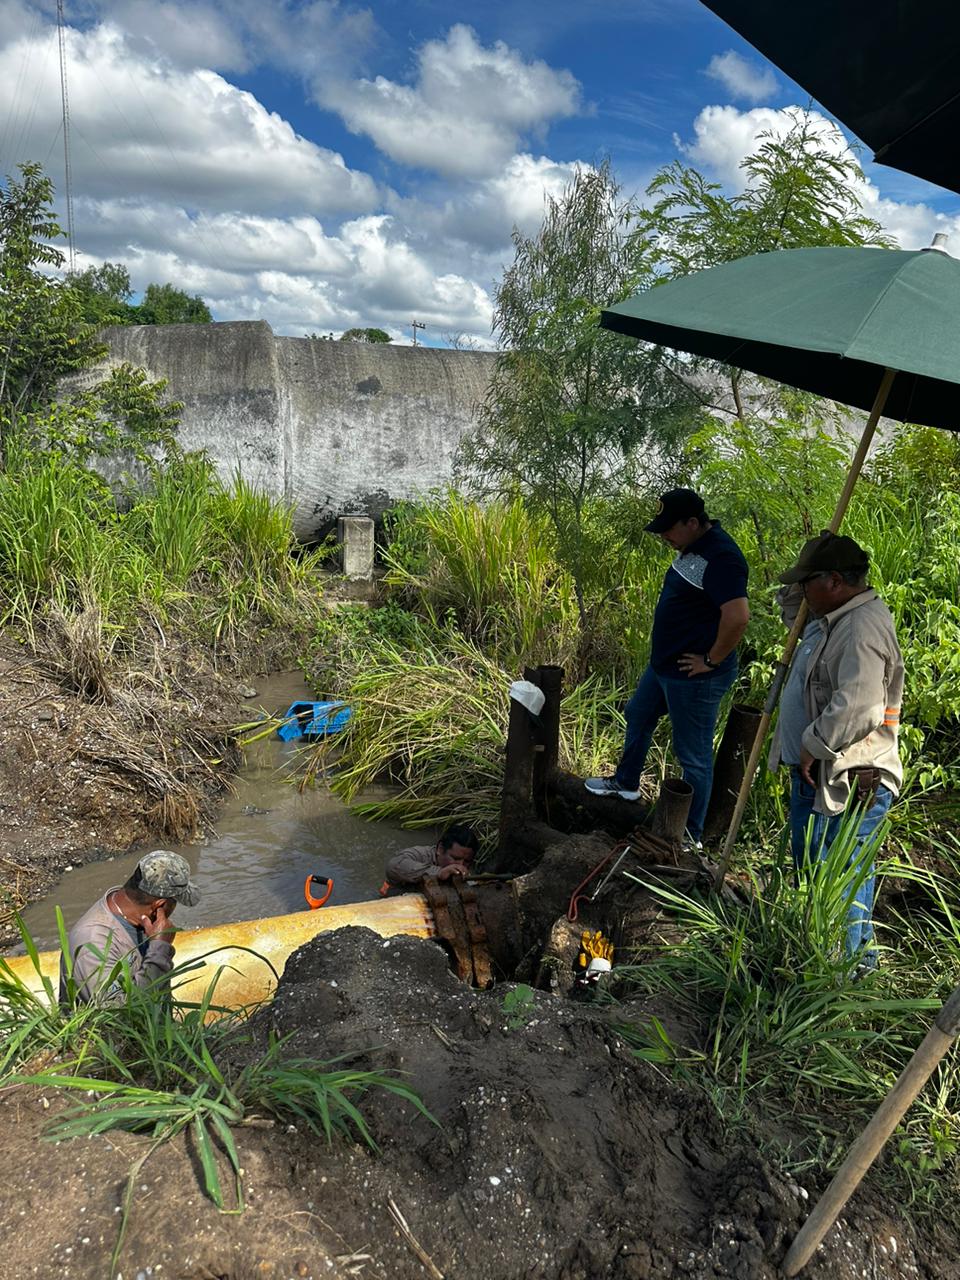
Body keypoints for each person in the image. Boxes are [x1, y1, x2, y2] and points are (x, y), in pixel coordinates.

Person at [585, 488, 749, 847]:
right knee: (638, 714)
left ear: (693, 522)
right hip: (665, 668)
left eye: (668, 529)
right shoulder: (693, 548)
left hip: (694, 677)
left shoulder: (722, 557)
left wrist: (711, 660)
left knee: (693, 755)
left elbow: (737, 617)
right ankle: (625, 783)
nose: (664, 537)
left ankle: (689, 833)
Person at [769, 531, 903, 965]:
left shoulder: (860, 628)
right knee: (818, 867)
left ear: (834, 581)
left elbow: (860, 706)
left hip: (847, 775)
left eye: (809, 581)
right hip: (822, 772)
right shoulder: (831, 616)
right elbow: (794, 614)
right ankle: (834, 958)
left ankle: (844, 972)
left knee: (840, 876)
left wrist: (814, 742)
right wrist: (805, 564)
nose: (803, 591)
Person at [60, 850, 200, 1005]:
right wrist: (160, 949)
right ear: (160, 906)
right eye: (175, 903)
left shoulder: (134, 912)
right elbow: (116, 1013)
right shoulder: (93, 941)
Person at [380, 824, 480, 894]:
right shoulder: (420, 854)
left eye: (467, 861)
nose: (461, 865)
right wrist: (439, 873)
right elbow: (393, 866)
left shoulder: (464, 872)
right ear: (440, 849)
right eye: (455, 858)